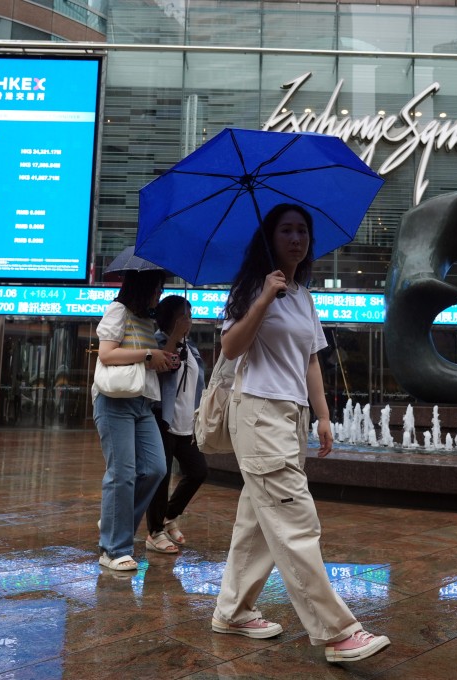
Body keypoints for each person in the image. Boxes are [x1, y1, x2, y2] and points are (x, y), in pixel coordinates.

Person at [212, 203, 390, 663]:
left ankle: (232, 611)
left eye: (302, 231)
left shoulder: (304, 296)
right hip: (258, 411)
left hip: (291, 416)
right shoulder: (252, 287)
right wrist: (263, 299)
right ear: (269, 239)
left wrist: (324, 415)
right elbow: (230, 346)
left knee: (257, 522)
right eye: (286, 230)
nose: (296, 238)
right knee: (295, 520)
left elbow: (311, 359)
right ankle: (336, 631)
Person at [93, 269, 178, 571]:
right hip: (114, 401)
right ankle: (113, 549)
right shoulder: (118, 310)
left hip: (142, 402)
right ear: (143, 287)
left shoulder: (145, 320)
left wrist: (161, 360)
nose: (160, 293)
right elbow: (106, 354)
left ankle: (115, 522)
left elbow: (142, 360)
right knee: (122, 474)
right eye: (157, 287)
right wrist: (147, 355)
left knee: (155, 469)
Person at [144, 295, 209, 554]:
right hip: (163, 418)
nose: (188, 321)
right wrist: (174, 337)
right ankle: (154, 532)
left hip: (186, 422)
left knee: (198, 471)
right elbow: (164, 366)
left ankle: (169, 516)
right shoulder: (158, 342)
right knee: (161, 476)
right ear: (169, 318)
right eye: (183, 316)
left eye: (190, 316)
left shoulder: (191, 348)